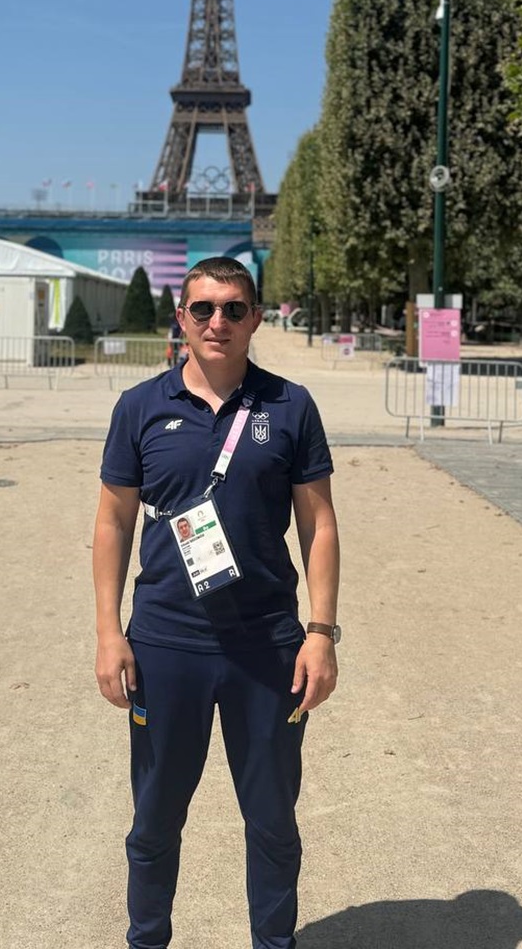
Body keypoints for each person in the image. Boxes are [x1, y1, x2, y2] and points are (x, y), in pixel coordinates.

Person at [92, 256, 340, 949]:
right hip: (166, 645)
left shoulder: (290, 406)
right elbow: (111, 523)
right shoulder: (140, 407)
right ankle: (147, 940)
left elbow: (319, 524)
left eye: (234, 308)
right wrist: (109, 632)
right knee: (154, 820)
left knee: (271, 821)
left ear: (256, 316)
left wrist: (320, 632)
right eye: (203, 308)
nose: (218, 321)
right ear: (182, 318)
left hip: (268, 647)